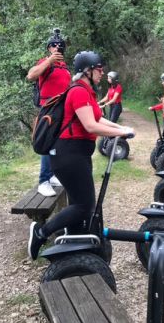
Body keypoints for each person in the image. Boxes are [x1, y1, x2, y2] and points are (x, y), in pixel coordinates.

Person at [27, 51, 134, 260]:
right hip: (68, 155)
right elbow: (90, 125)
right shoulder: (78, 91)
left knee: (78, 202)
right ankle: (41, 232)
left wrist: (121, 128)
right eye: (99, 69)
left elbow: (98, 119)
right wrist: (121, 132)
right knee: (84, 206)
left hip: (76, 155)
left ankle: (73, 241)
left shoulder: (86, 91)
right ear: (87, 70)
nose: (102, 73)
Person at [26, 28, 70, 196]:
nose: (57, 47)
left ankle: (52, 176)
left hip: (62, 110)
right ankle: (43, 181)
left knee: (57, 145)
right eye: (53, 45)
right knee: (46, 143)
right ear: (49, 48)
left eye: (60, 45)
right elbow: (31, 75)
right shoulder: (44, 62)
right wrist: (49, 60)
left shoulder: (65, 68)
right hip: (48, 109)